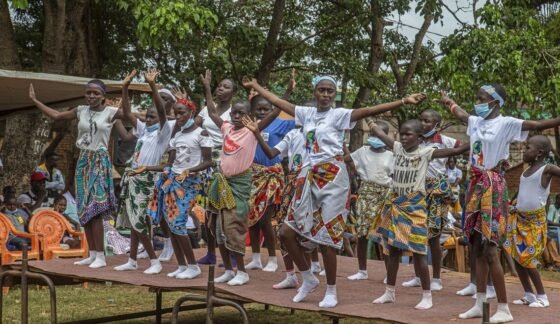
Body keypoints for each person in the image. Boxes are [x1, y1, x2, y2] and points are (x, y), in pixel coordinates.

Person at [242, 75, 426, 308]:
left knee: (327, 238)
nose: (326, 94)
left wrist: (403, 101)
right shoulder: (305, 114)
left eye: (330, 90)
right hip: (308, 177)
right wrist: (256, 86)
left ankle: (331, 290)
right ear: (315, 91)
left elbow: (369, 110)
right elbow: (278, 102)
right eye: (322, 90)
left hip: (333, 178)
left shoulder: (339, 115)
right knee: (286, 234)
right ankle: (308, 278)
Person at [440, 84, 560, 322]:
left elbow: (536, 125)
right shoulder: (475, 121)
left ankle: (503, 308)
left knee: (491, 247)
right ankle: (480, 301)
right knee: (476, 244)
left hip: (494, 186)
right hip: (474, 184)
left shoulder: (506, 123)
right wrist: (447, 101)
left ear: (495, 102)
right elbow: (461, 114)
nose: (478, 102)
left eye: (482, 98)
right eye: (477, 98)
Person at [370, 119, 468, 310]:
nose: (404, 137)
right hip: (395, 204)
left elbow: (455, 151)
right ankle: (389, 292)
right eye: (402, 133)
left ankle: (427, 295)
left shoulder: (425, 153)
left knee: (418, 251)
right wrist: (371, 122)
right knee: (393, 251)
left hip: (414, 207)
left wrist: (480, 137)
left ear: (420, 138)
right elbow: (381, 135)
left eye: (409, 134)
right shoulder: (397, 148)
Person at [30, 78, 123, 269]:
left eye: (96, 93)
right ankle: (92, 254)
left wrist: (128, 89)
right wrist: (35, 101)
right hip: (83, 161)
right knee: (84, 208)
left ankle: (101, 256)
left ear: (103, 96)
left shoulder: (110, 112)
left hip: (99, 161)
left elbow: (134, 114)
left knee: (96, 209)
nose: (91, 96)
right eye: (88, 92)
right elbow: (57, 116)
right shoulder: (80, 110)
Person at [201, 70, 279, 286]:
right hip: (221, 182)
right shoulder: (226, 128)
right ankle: (227, 269)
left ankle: (242, 271)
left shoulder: (251, 130)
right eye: (234, 113)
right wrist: (208, 88)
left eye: (241, 114)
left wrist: (287, 93)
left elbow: (274, 113)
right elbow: (211, 111)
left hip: (239, 184)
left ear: (249, 117)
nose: (236, 117)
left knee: (233, 228)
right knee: (216, 228)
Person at [147, 87, 213, 279]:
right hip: (172, 182)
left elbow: (209, 161)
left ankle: (193, 266)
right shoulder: (177, 136)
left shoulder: (202, 134)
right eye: (176, 114)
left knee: (178, 223)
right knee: (171, 223)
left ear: (191, 112)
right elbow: (171, 162)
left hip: (189, 184)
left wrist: (190, 171)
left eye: (182, 112)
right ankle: (182, 265)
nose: (179, 117)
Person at [114, 69, 175, 275]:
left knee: (139, 220)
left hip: (147, 179)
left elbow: (160, 108)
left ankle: (154, 261)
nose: (148, 119)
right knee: (133, 221)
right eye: (147, 116)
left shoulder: (163, 131)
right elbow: (128, 113)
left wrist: (152, 86)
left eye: (152, 117)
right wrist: (124, 88)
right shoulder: (143, 131)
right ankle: (132, 259)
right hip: (133, 176)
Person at [243, 118, 309, 289]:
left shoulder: (323, 135)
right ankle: (291, 275)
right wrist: (257, 133)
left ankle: (315, 273)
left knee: (310, 231)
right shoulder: (293, 134)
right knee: (282, 230)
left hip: (315, 183)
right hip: (294, 182)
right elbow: (272, 153)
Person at [401, 109, 460, 291]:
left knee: (434, 236)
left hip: (436, 191)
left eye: (427, 121)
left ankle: (436, 278)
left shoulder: (447, 141)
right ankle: (419, 276)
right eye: (421, 120)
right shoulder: (415, 140)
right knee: (415, 233)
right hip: (417, 189)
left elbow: (465, 148)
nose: (423, 123)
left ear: (437, 124)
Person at [245, 92, 295, 272]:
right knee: (252, 218)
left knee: (266, 219)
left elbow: (300, 119)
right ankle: (256, 258)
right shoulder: (247, 125)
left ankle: (273, 258)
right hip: (253, 174)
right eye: (259, 109)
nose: (263, 112)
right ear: (252, 110)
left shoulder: (280, 123)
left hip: (272, 175)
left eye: (267, 109)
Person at [504, 135, 554, 308]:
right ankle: (529, 294)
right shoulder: (526, 170)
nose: (524, 151)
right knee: (518, 259)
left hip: (534, 223)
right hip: (519, 219)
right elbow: (523, 191)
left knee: (529, 260)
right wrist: (513, 204)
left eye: (527, 148)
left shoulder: (547, 169)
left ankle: (543, 296)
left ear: (539, 153)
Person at [195, 76, 237, 266]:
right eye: (219, 86)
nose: (221, 89)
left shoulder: (234, 112)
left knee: (225, 210)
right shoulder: (206, 109)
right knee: (207, 210)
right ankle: (211, 253)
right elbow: (195, 124)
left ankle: (233, 254)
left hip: (225, 162)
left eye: (226, 87)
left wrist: (207, 89)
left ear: (233, 93)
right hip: (206, 162)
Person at [344, 120, 393, 281]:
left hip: (385, 196)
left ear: (386, 136)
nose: (375, 137)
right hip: (365, 194)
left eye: (379, 134)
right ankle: (362, 270)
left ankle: (389, 273)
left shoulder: (391, 156)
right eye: (372, 134)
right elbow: (348, 159)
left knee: (384, 236)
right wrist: (342, 145)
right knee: (362, 233)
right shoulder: (363, 151)